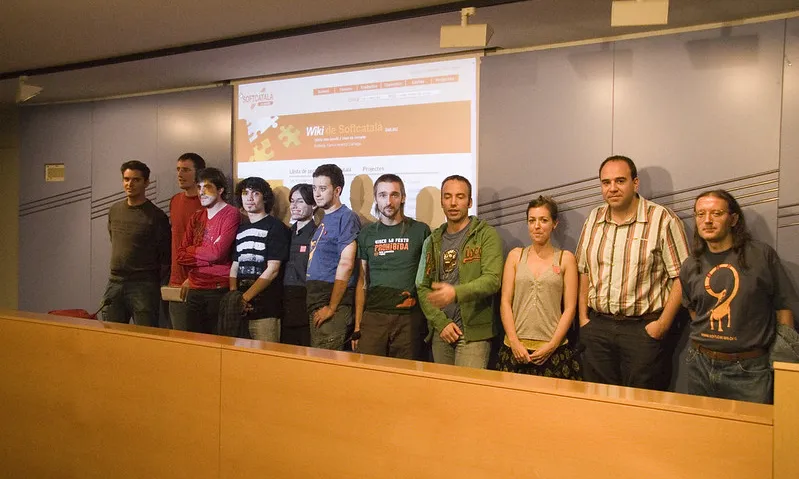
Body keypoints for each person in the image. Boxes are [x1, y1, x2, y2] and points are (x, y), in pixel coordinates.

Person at [576, 155, 689, 390]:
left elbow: (682, 277)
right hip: (598, 328)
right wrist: (584, 320)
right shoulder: (593, 219)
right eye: (606, 182)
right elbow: (584, 271)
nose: (612, 188)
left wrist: (662, 326)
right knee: (599, 406)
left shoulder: (662, 220)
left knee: (641, 409)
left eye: (620, 181)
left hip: (643, 332)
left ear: (635, 183)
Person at [680, 190, 797, 403]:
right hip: (700, 365)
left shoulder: (761, 256)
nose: (707, 220)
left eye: (716, 213)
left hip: (749, 370)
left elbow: (784, 307)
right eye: (700, 214)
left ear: (733, 219)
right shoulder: (690, 265)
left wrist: (783, 361)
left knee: (753, 435)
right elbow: (693, 310)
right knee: (703, 433)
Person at [417, 175, 503, 369]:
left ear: (470, 202)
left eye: (460, 196)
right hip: (442, 332)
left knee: (466, 394)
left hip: (473, 334)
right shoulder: (432, 240)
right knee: (443, 394)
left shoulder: (485, 235)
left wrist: (456, 292)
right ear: (441, 201)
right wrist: (441, 323)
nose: (453, 203)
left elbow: (492, 279)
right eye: (447, 197)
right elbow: (422, 286)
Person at [496, 196, 580, 378]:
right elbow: (505, 301)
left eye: (544, 220)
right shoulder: (515, 256)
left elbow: (570, 308)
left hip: (553, 351)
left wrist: (552, 345)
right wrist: (514, 341)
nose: (537, 226)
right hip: (515, 350)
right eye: (532, 220)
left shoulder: (566, 259)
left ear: (554, 224)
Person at [352, 174, 431, 359]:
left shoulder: (420, 230)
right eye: (382, 195)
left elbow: (429, 277)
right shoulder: (366, 234)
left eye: (394, 195)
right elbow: (362, 281)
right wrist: (357, 325)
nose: (388, 201)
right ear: (376, 199)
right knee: (369, 375)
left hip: (409, 319)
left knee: (405, 378)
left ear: (403, 197)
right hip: (374, 316)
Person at [102, 160, 170, 327]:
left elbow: (165, 256)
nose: (129, 184)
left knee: (145, 337)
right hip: (115, 282)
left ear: (146, 183)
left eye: (136, 180)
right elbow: (113, 238)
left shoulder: (156, 216)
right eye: (126, 179)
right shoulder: (115, 210)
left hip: (143, 285)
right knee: (110, 334)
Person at [177, 167, 240, 334]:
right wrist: (207, 256)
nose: (201, 192)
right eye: (199, 187)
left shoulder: (231, 214)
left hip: (217, 290)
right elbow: (181, 254)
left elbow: (218, 253)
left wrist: (194, 251)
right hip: (194, 289)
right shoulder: (196, 217)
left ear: (220, 190)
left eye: (207, 187)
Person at [306, 164, 360, 350]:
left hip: (331, 299)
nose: (317, 194)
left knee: (326, 364)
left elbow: (346, 264)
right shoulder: (324, 218)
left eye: (323, 188)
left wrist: (332, 306)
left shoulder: (346, 217)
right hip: (317, 297)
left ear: (337, 190)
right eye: (314, 188)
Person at [230, 177, 291, 342]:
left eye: (255, 193)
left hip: (266, 311)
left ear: (264, 198)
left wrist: (244, 298)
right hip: (240, 311)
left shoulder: (275, 227)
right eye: (245, 193)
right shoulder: (241, 229)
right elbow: (235, 265)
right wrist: (235, 297)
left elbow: (272, 270)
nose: (249, 198)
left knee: (267, 362)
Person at [167, 152, 205, 331]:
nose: (180, 174)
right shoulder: (175, 201)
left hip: (200, 283)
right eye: (178, 170)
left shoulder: (207, 203)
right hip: (176, 281)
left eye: (186, 170)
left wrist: (193, 277)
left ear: (198, 173)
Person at [282, 183, 318, 347]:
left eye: (301, 201)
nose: (294, 206)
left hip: (305, 298)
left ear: (314, 205)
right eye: (292, 201)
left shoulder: (317, 234)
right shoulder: (285, 233)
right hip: (283, 299)